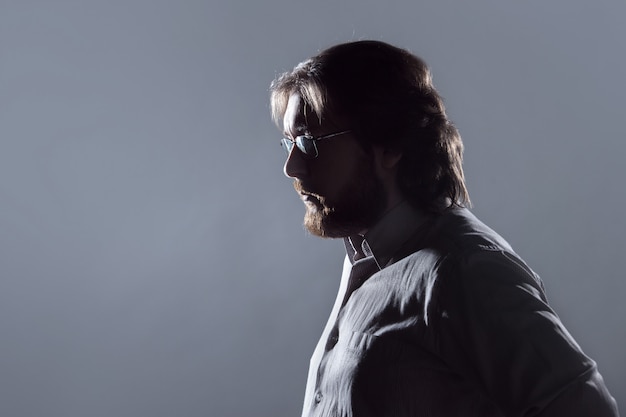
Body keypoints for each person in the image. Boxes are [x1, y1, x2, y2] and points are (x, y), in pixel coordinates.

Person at [269, 40, 619, 417]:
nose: (292, 167)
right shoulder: (366, 258)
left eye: (308, 141)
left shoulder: (464, 270)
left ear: (389, 145)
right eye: (289, 141)